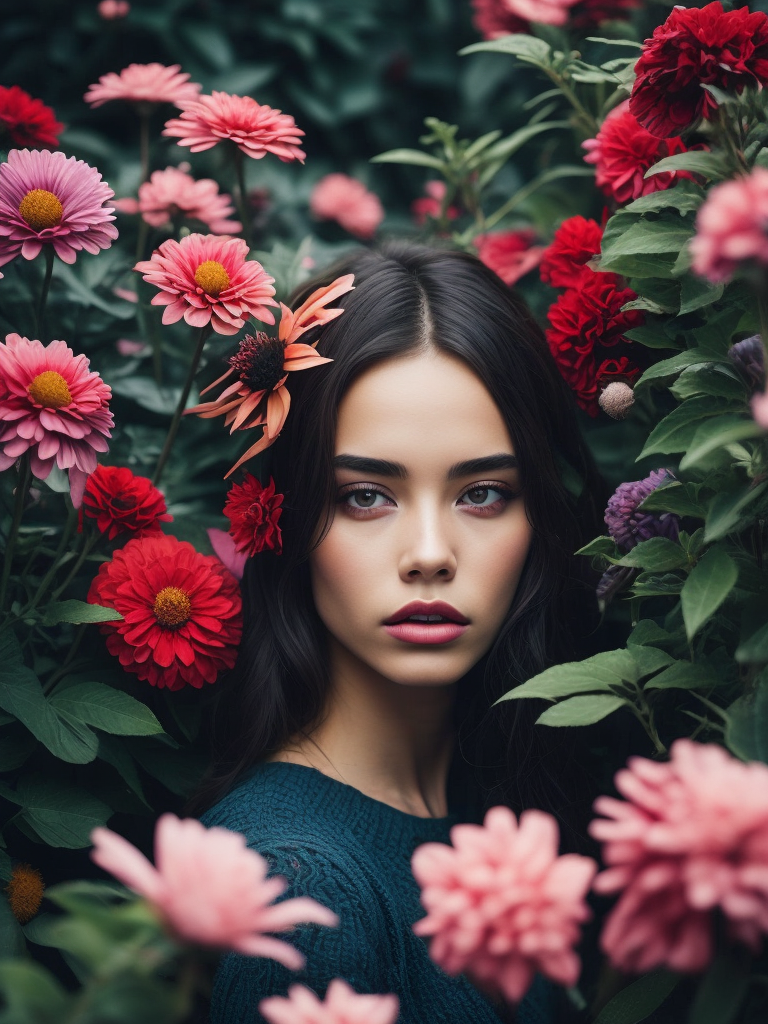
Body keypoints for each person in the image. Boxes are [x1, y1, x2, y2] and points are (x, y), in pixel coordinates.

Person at [189, 241, 602, 1023]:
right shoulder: (299, 899)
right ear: (285, 515)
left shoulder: (496, 816)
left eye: (482, 493)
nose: (429, 556)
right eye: (366, 496)